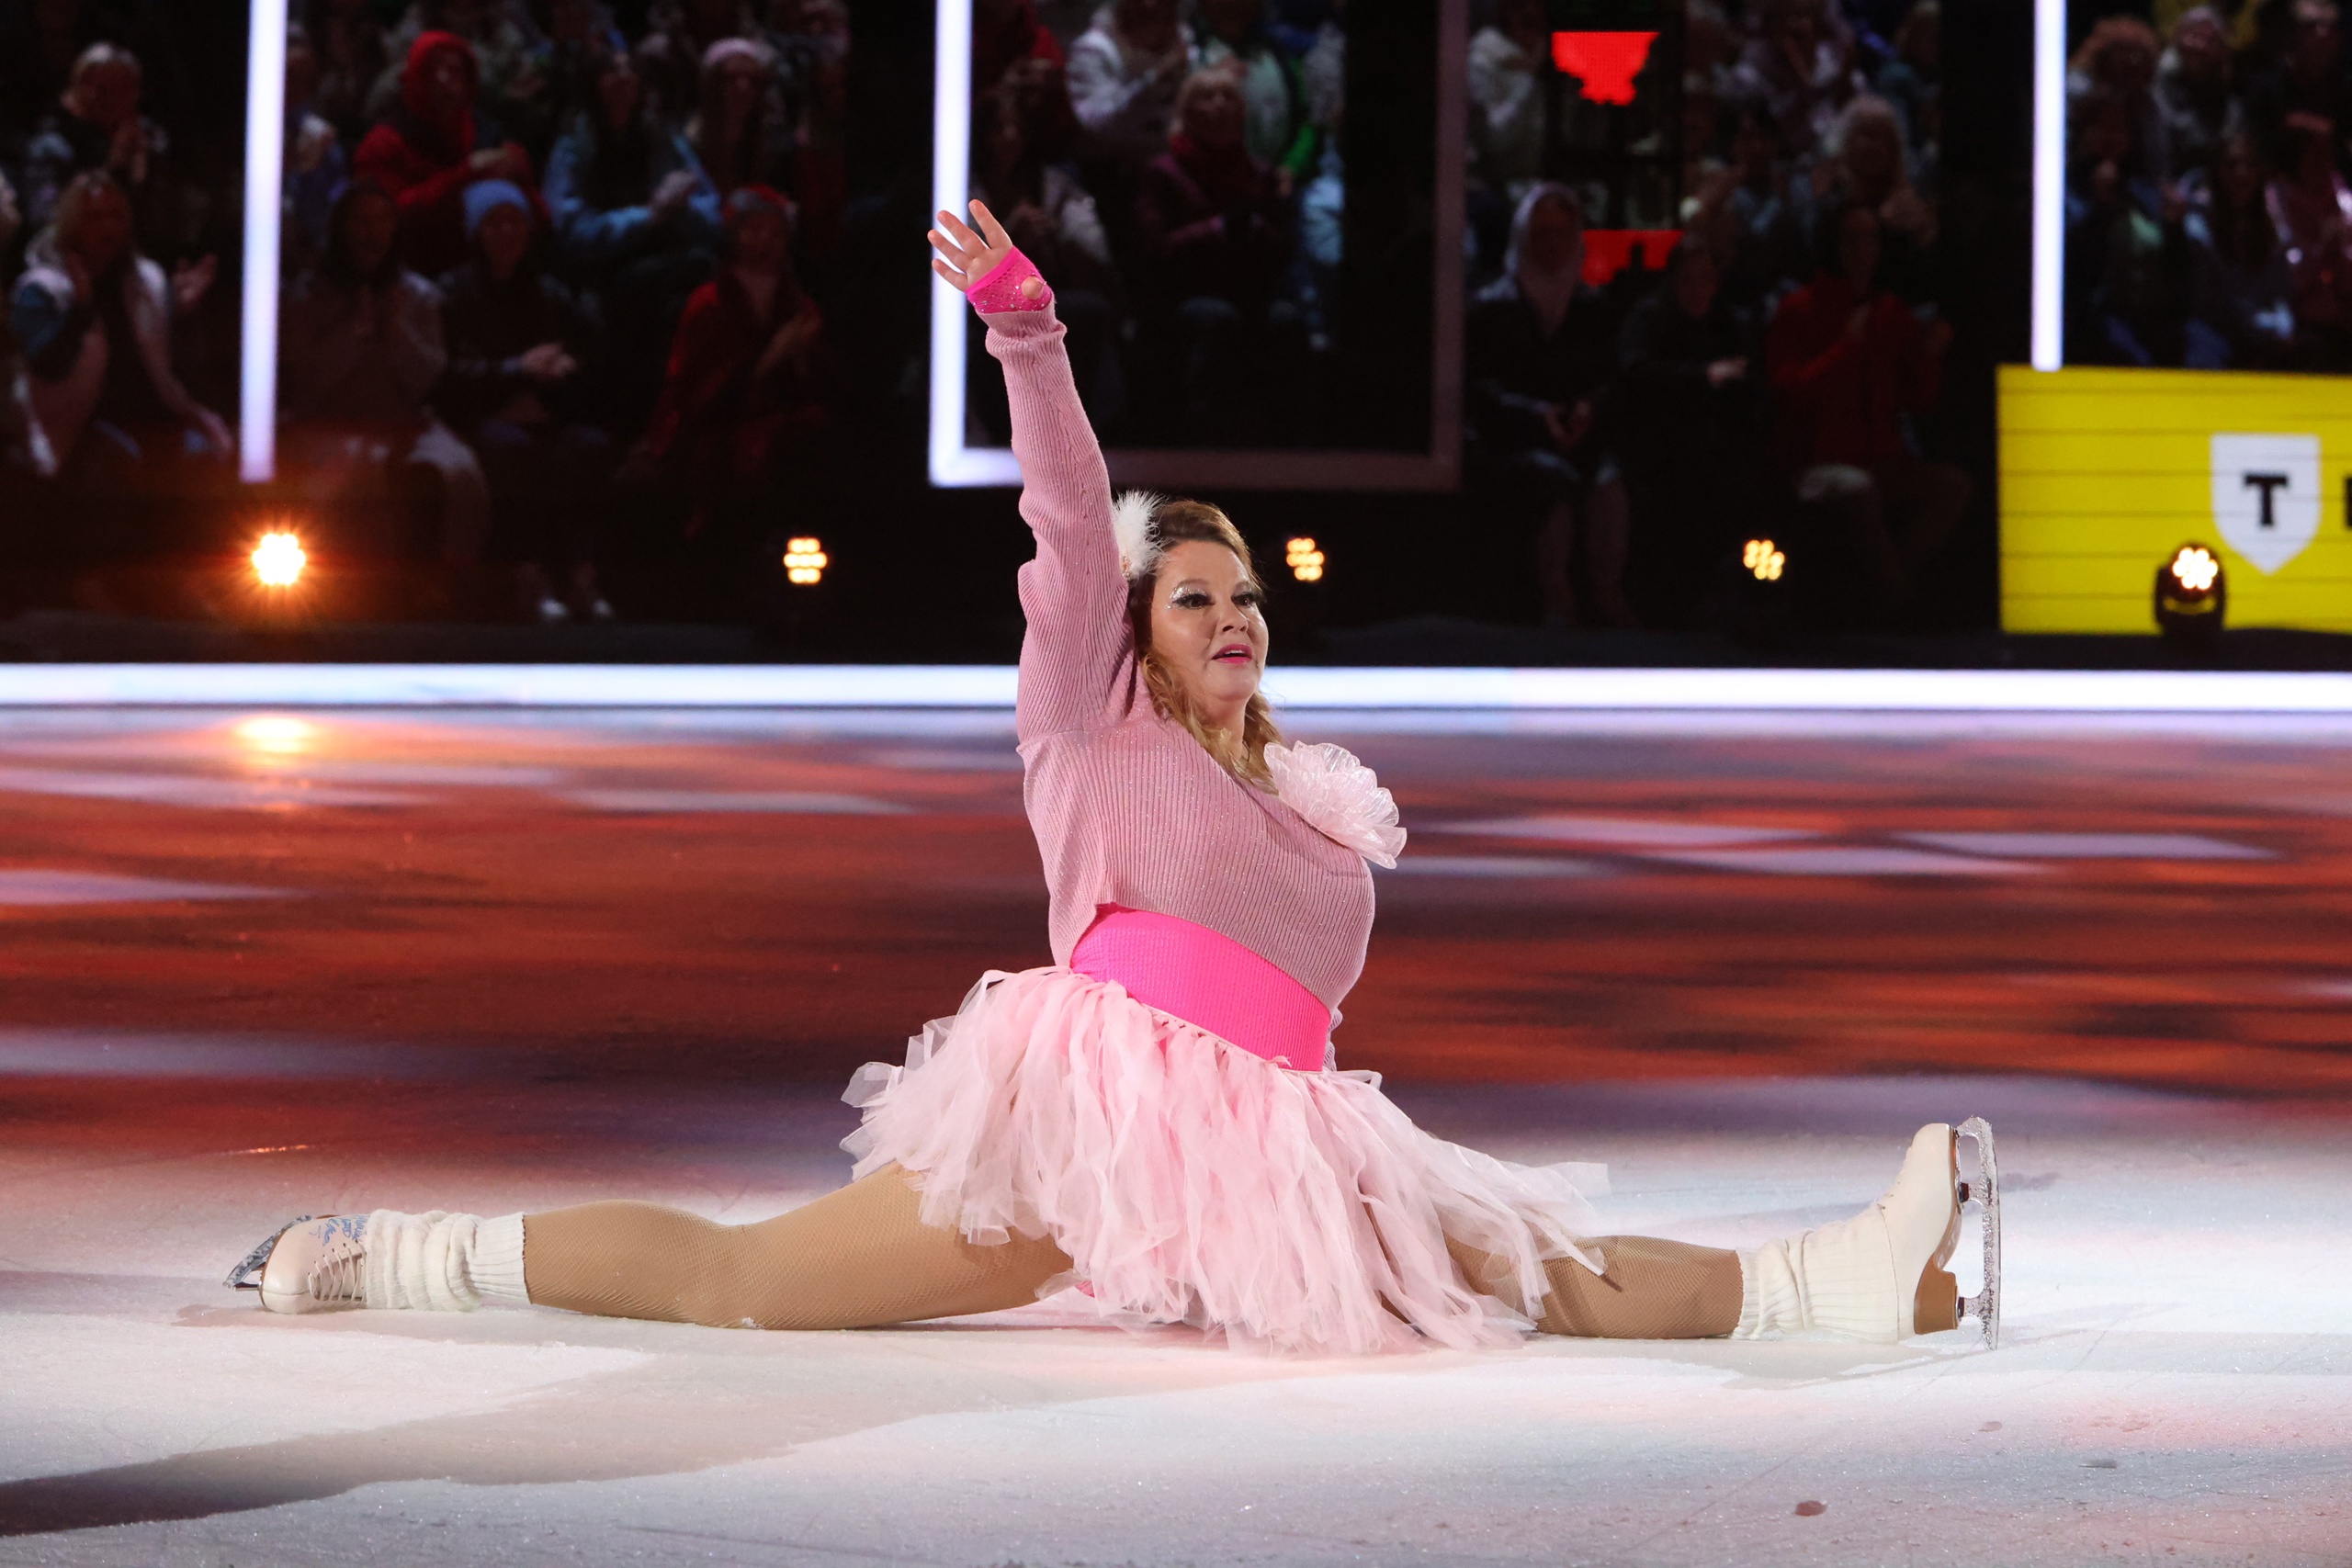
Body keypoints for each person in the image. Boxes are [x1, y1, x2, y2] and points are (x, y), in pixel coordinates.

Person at [226, 199, 2000, 1360]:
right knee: (749, 1279)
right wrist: (1029, 334)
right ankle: (386, 1252)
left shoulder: (1310, 802)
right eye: (1194, 596)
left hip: (1278, 1132)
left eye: (1247, 596)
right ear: (1136, 633)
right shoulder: (1090, 724)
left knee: (1523, 1252)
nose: (1230, 616)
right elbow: (1074, 520)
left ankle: (1851, 1282)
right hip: (1087, 1114)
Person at [10, 171, 231, 570]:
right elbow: (46, 366)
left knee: (206, 458)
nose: (106, 227)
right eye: (94, 217)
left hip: (150, 413)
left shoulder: (145, 281)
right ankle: (105, 580)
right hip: (78, 424)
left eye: (115, 215)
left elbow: (166, 361)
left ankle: (190, 576)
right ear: (72, 224)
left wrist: (181, 312)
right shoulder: (42, 288)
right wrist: (79, 310)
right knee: (117, 467)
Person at [1766, 200, 1968, 620]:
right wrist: (1844, 350)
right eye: (1851, 239)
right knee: (1857, 489)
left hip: (1883, 459)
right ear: (1833, 245)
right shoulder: (1799, 310)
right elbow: (1789, 394)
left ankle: (1887, 588)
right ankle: (1898, 605)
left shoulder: (1890, 313)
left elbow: (1919, 399)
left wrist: (1929, 355)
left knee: (1951, 486)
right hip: (1817, 460)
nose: (1862, 250)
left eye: (1870, 239)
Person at [278, 179, 491, 569]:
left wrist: (396, 332)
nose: (372, 233)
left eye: (382, 221)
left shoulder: (419, 295)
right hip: (327, 423)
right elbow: (306, 377)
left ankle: (442, 582)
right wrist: (352, 334)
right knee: (356, 476)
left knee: (458, 473)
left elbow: (428, 377)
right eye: (361, 221)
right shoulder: (308, 293)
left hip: (404, 421)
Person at [435, 181, 612, 622]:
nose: (506, 233)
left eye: (514, 221)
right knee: (510, 450)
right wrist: (518, 371)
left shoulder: (551, 293)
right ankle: (527, 575)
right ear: (476, 232)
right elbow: (451, 374)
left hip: (547, 412)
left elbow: (580, 359)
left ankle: (582, 575)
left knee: (587, 448)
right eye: (494, 223)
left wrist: (558, 376)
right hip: (484, 415)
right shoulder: (454, 292)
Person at [1464, 184, 1635, 628]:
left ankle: (1607, 592)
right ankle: (1555, 595)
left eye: (1563, 233)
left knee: (1607, 480)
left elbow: (1609, 380)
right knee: (1550, 480)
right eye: (1542, 234)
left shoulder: (1593, 308)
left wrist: (1586, 410)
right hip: (1514, 440)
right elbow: (1480, 389)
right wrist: (1536, 416)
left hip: (1580, 435)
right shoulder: (1492, 308)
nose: (1553, 245)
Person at [632, 184, 833, 555]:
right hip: (718, 433)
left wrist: (801, 361)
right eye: (754, 229)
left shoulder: (798, 305)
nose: (764, 241)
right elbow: (696, 391)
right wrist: (770, 359)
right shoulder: (709, 303)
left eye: (774, 232)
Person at [543, 47, 723, 426]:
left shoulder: (661, 136)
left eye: (630, 71)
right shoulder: (575, 144)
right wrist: (648, 215)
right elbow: (571, 232)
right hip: (603, 271)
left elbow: (709, 210)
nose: (623, 79)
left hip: (664, 260)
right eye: (612, 72)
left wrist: (679, 208)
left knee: (702, 272)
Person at [1133, 67, 1296, 442]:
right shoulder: (1164, 172)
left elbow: (1283, 249)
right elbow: (1157, 250)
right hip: (1187, 291)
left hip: (1249, 289)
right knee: (1214, 318)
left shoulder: (1260, 173)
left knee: (1285, 321)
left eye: (1229, 97)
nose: (1220, 105)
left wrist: (1257, 230)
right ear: (1187, 112)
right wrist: (1218, 228)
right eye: (1208, 96)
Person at [1615, 240, 1762, 626]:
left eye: (1706, 279)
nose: (1698, 289)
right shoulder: (1650, 318)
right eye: (1688, 280)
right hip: (1658, 442)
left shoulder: (1725, 322)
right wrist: (1702, 378)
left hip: (1715, 443)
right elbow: (1635, 375)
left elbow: (1747, 379)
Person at [355, 30, 537, 281]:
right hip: (410, 276)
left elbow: (535, 217)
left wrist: (519, 176)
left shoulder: (489, 135)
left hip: (487, 277)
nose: (442, 79)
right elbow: (385, 219)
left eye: (454, 71)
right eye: (431, 70)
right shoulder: (383, 144)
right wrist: (465, 175)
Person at [2183, 132, 2295, 367]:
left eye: (2249, 165)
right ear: (2217, 172)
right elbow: (2211, 303)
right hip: (2214, 334)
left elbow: (2279, 294)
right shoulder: (2198, 229)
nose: (2241, 174)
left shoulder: (2274, 229)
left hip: (2265, 335)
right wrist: (2260, 326)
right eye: (2231, 165)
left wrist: (2283, 327)